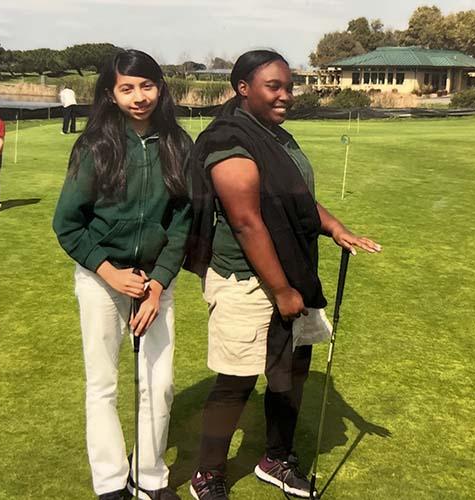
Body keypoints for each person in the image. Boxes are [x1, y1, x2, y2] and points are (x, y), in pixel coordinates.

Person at [184, 49, 382, 500]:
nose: (286, 96)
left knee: (289, 376)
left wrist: (335, 228)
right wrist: (281, 290)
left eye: (289, 87)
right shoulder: (228, 140)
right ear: (243, 89)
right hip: (248, 280)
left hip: (293, 270)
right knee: (236, 381)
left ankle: (276, 458)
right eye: (274, 86)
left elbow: (295, 199)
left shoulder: (274, 136)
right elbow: (246, 221)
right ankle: (208, 474)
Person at [52, 49, 191, 500]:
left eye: (147, 86)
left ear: (160, 88)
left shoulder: (178, 143)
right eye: (127, 88)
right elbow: (67, 223)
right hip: (101, 280)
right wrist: (111, 274)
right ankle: (111, 481)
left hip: (155, 282)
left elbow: (183, 220)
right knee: (104, 383)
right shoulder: (95, 146)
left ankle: (150, 474)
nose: (139, 97)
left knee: (160, 383)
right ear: (110, 94)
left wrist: (157, 283)